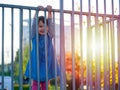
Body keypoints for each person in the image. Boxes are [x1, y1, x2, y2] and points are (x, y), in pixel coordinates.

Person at [24, 5, 60, 90]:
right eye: (40, 26)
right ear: (37, 28)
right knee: (35, 83)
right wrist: (37, 12)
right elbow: (33, 25)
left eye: (45, 26)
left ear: (48, 28)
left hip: (47, 63)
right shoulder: (34, 36)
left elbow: (50, 24)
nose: (43, 28)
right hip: (37, 63)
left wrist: (49, 13)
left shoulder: (49, 35)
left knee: (45, 83)